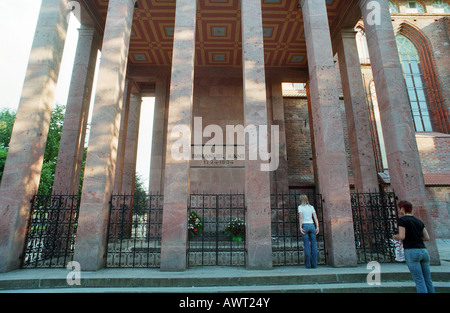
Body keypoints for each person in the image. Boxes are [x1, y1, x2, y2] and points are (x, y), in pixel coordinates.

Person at [393, 200, 435, 293]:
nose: (399, 210)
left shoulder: (402, 220)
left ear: (403, 209)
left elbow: (402, 236)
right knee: (428, 279)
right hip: (423, 251)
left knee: (419, 280)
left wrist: (395, 236)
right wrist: (416, 237)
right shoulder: (419, 221)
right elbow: (427, 237)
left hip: (411, 251)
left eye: (399, 208)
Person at [298, 195, 319, 269]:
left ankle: (308, 265)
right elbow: (315, 217)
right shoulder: (311, 207)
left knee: (306, 245)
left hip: (305, 225)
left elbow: (301, 217)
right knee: (314, 245)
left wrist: (300, 227)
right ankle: (314, 264)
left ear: (301, 200)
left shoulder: (300, 207)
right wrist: (317, 227)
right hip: (312, 225)